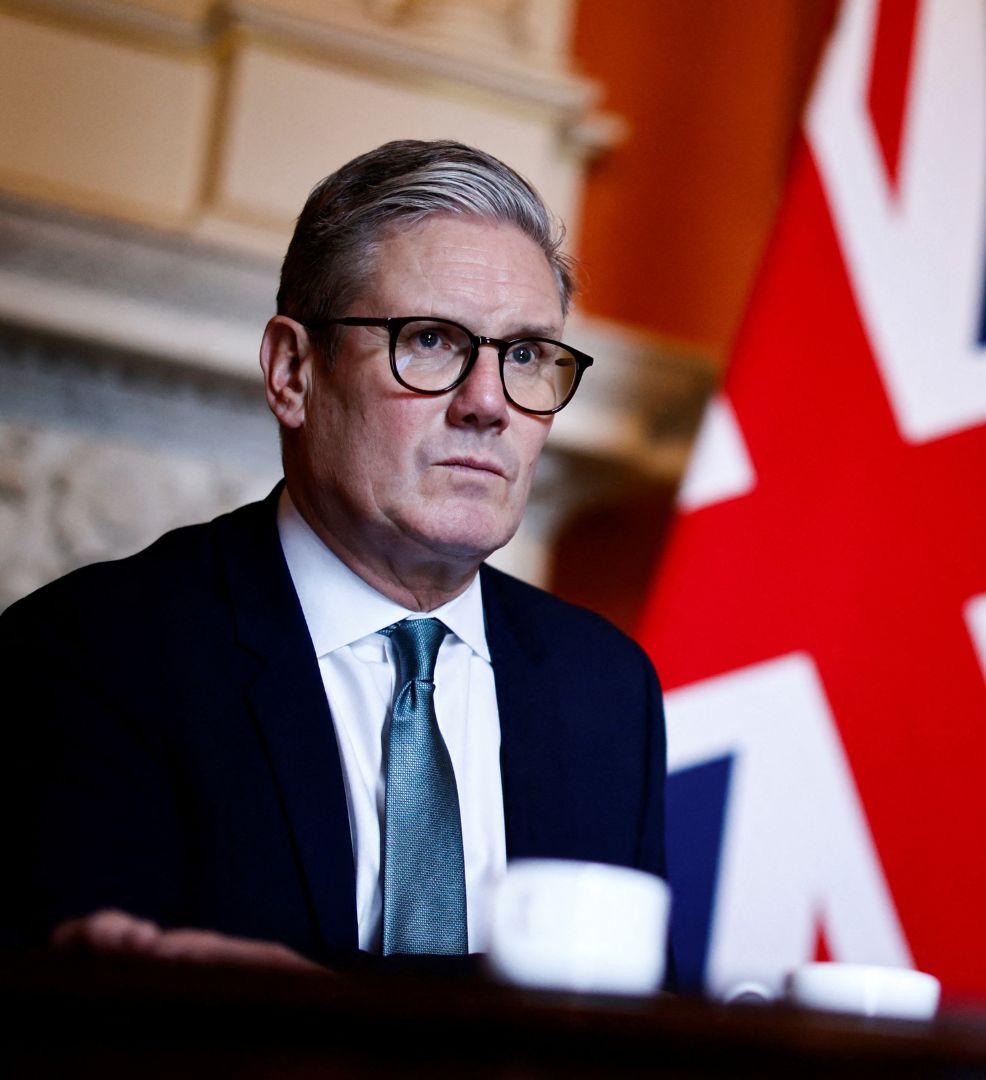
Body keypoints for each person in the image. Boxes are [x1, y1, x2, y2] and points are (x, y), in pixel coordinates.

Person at [0, 140, 667, 969]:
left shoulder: (606, 690)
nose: (489, 404)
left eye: (526, 354)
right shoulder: (92, 654)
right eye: (429, 340)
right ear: (292, 372)